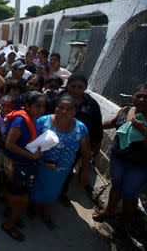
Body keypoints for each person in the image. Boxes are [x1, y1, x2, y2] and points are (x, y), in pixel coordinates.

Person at [92, 83, 147, 237]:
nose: (142, 99)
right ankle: (109, 210)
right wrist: (93, 127)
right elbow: (113, 123)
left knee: (130, 195)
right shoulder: (125, 110)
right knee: (116, 186)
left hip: (139, 166)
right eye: (139, 96)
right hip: (118, 158)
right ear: (134, 97)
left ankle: (125, 222)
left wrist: (144, 130)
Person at [29, 95, 91, 229]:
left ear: (75, 111)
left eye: (69, 109)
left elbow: (86, 152)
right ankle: (33, 208)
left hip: (62, 170)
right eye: (60, 107)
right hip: (40, 165)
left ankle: (46, 214)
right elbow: (30, 139)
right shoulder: (43, 121)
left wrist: (85, 171)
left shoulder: (81, 128)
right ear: (55, 108)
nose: (64, 111)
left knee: (53, 191)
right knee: (36, 188)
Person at [52, 73, 103, 206]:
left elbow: (97, 125)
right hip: (53, 143)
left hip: (76, 146)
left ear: (85, 88)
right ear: (67, 85)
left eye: (80, 87)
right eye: (73, 86)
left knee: (68, 169)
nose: (76, 90)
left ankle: (61, 192)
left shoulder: (91, 104)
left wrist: (97, 143)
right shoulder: (58, 99)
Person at [2, 91, 47, 241]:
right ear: (27, 106)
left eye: (43, 106)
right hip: (19, 165)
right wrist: (32, 156)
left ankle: (11, 214)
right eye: (37, 106)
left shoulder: (32, 118)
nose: (41, 109)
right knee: (20, 197)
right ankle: (9, 225)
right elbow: (9, 144)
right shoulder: (21, 120)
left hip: (25, 164)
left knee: (16, 193)